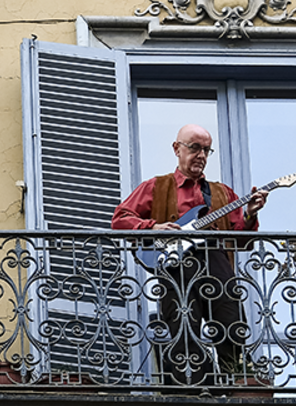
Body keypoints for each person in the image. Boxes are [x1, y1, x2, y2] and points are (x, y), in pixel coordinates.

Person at [111, 124, 268, 385]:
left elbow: (242, 240)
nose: (201, 155)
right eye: (195, 147)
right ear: (177, 149)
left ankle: (239, 379)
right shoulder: (156, 186)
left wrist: (250, 213)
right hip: (176, 266)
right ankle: (189, 386)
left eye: (207, 150)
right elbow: (120, 219)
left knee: (229, 315)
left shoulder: (223, 193)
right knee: (182, 323)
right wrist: (153, 227)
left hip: (215, 263)